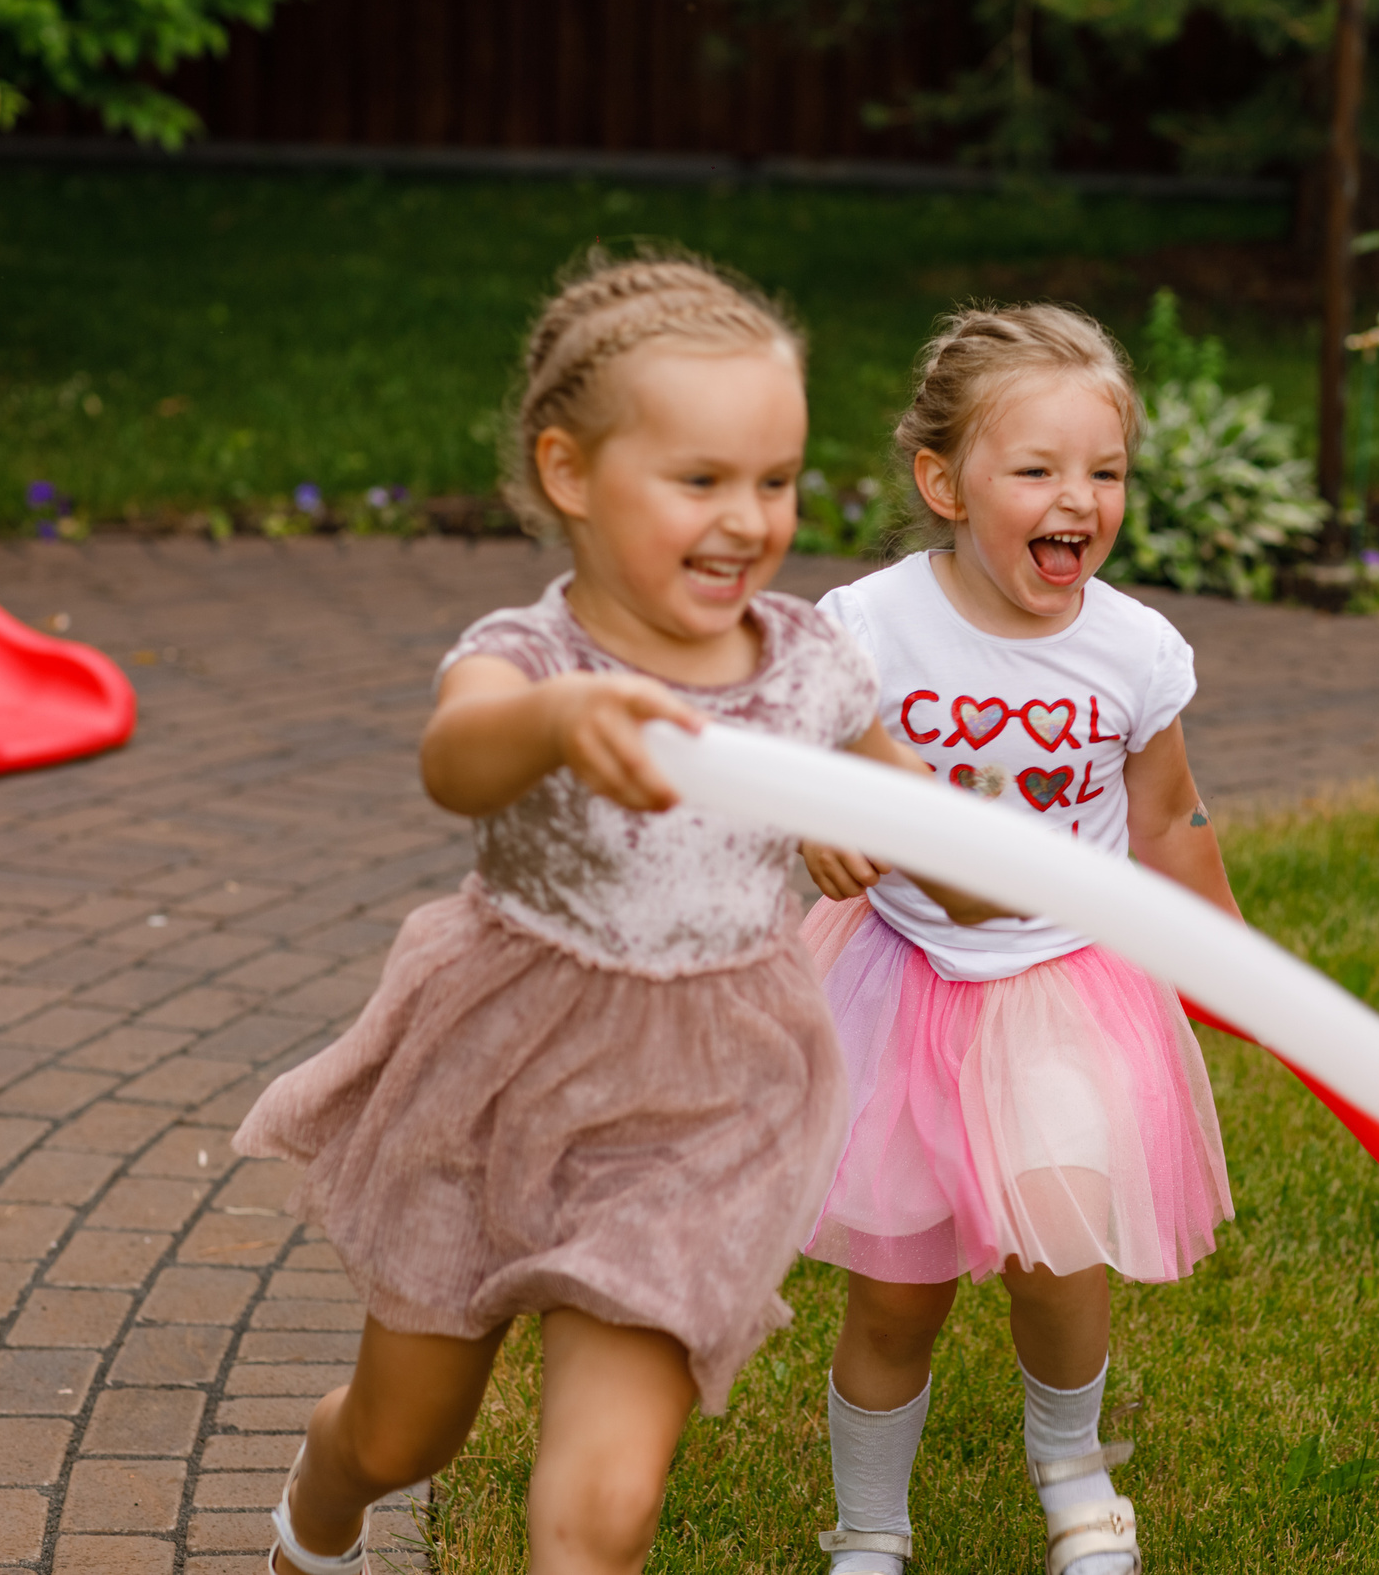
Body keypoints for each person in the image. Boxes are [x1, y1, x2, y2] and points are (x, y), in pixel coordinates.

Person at [234, 251, 922, 1575]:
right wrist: (558, 723)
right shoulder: (529, 656)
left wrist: (926, 826)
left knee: (597, 1509)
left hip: (702, 1100)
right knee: (403, 1431)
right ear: (569, 472)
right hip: (499, 1061)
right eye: (702, 478)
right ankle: (317, 1520)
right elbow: (459, 755)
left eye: (775, 479)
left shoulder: (814, 664)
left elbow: (941, 833)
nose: (748, 518)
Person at [798, 304, 1239, 1575]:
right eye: (1037, 469)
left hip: (1061, 984)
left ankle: (1076, 1481)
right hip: (896, 983)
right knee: (896, 1287)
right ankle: (871, 1530)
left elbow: (1167, 813)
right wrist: (816, 833)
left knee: (1057, 1253)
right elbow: (796, 767)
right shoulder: (868, 626)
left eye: (1103, 471)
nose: (1078, 499)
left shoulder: (1130, 648)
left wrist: (1239, 962)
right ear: (943, 482)